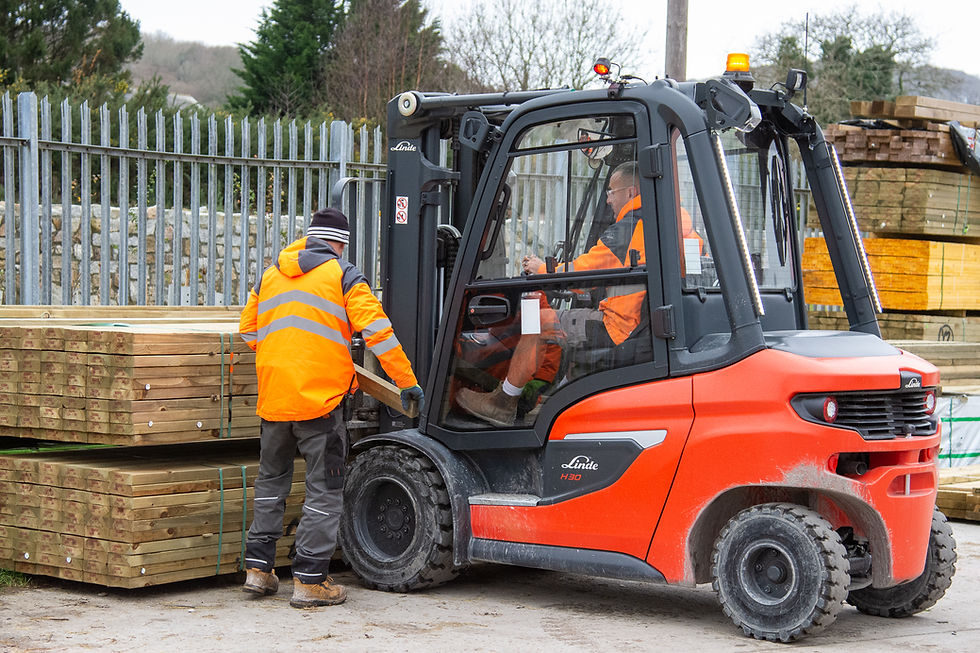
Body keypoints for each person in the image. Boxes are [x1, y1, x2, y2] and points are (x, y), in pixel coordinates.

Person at [238, 207, 424, 608]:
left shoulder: (271, 274)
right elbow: (377, 331)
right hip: (320, 403)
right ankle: (309, 580)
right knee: (323, 492)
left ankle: (258, 570)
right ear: (340, 243)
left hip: (275, 398)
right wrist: (406, 381)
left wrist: (284, 356)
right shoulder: (342, 274)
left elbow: (249, 329)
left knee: (271, 484)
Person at [455, 161, 646, 427]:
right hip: (642, 324)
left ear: (631, 192)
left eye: (612, 192)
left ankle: (503, 402)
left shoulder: (628, 229)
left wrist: (541, 269)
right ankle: (561, 401)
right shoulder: (671, 221)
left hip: (620, 327)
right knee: (565, 321)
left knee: (541, 321)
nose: (609, 199)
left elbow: (581, 275)